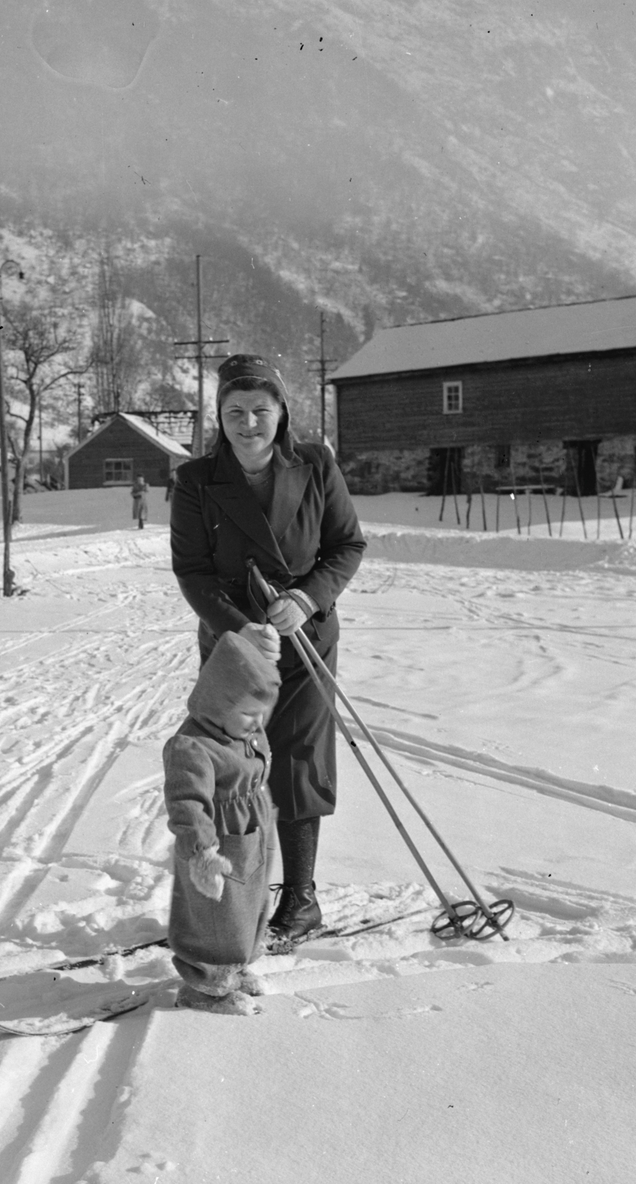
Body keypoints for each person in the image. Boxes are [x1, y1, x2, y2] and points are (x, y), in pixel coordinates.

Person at [169, 353, 366, 941]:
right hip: (235, 648)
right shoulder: (196, 481)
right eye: (235, 411)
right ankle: (235, 896)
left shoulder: (316, 465)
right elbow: (193, 571)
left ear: (282, 413)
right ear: (219, 416)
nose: (248, 422)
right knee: (233, 769)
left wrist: (306, 599)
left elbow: (346, 546)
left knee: (301, 758)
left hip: (307, 639)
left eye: (260, 410)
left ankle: (301, 900)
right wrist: (244, 631)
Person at [164, 630, 280, 1015]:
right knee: (215, 918)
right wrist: (203, 854)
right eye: (247, 713)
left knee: (247, 906)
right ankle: (204, 987)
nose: (256, 723)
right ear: (218, 703)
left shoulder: (237, 731)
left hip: (251, 835)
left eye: (260, 714)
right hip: (218, 847)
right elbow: (188, 804)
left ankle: (234, 968)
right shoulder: (192, 747)